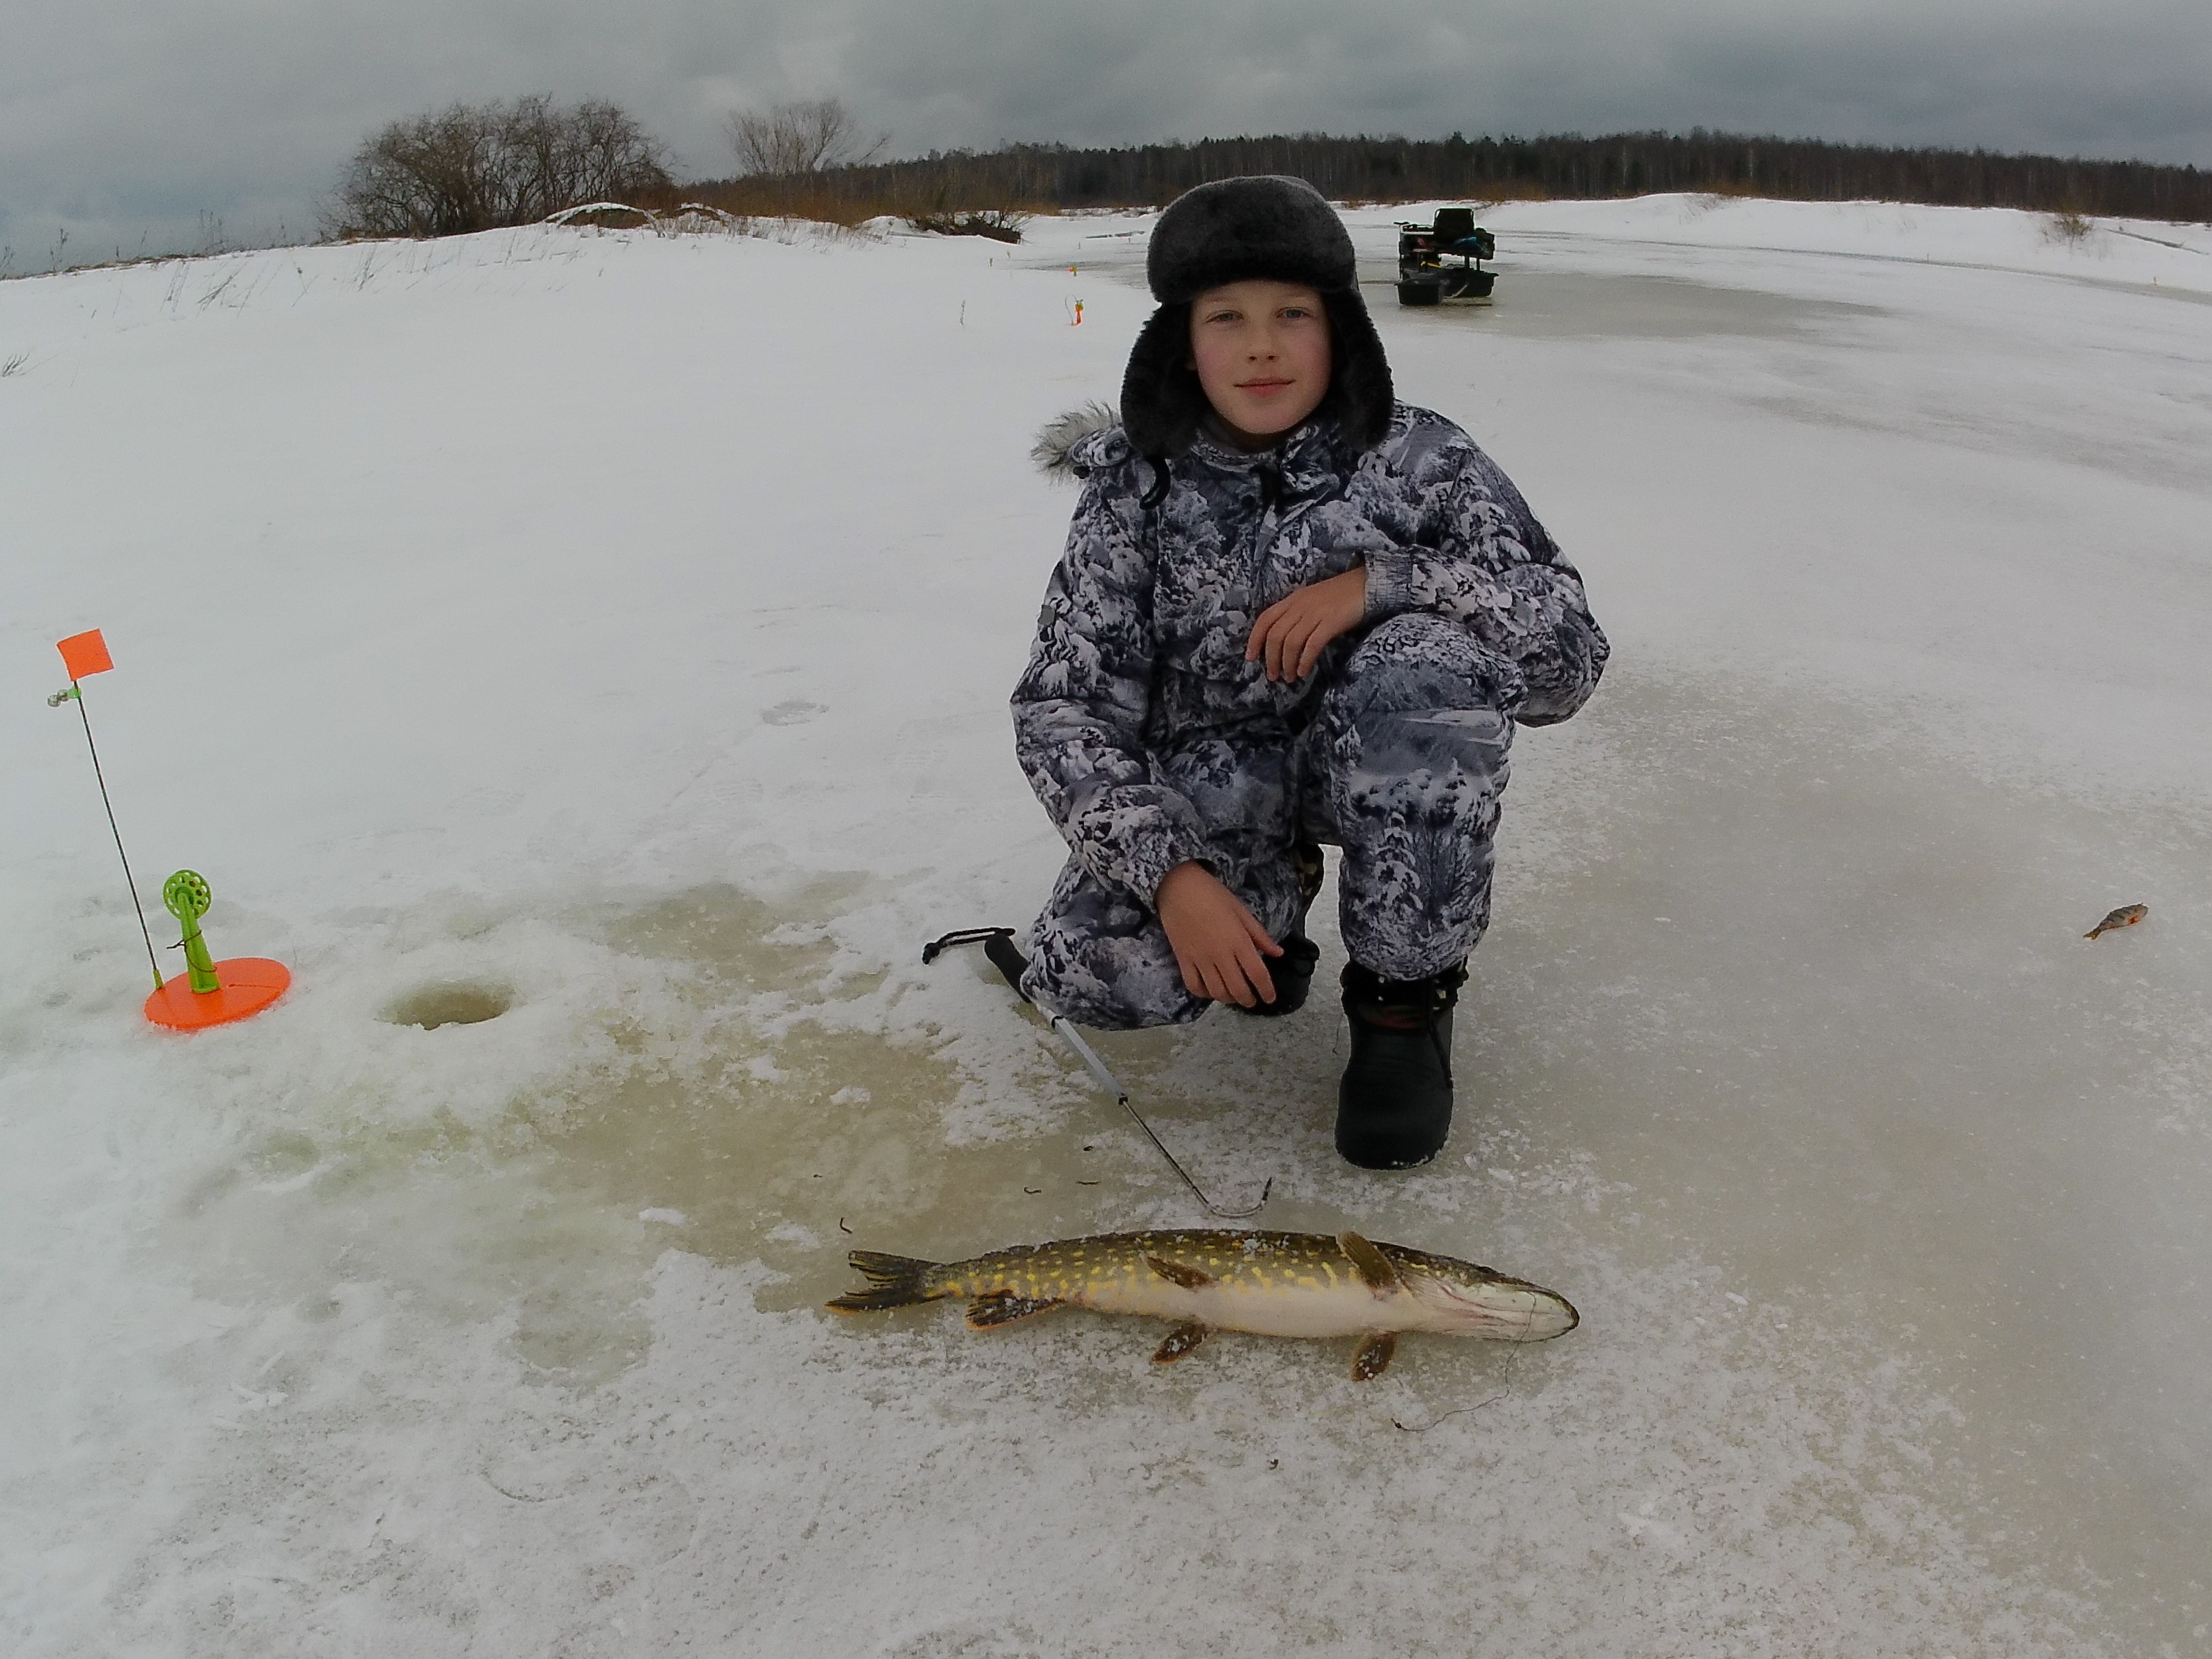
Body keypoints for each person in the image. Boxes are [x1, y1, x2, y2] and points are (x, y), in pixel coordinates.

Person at [1009, 175, 1608, 1169]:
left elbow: (1567, 664)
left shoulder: (1423, 460)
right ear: (1179, 340)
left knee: (1424, 666)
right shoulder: (1134, 487)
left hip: (1378, 766)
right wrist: (1173, 876)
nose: (1260, 346)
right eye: (1225, 317)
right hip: (1219, 780)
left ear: (1341, 329)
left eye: (1292, 313)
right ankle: (1266, 904)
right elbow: (1062, 708)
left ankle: (1402, 1004)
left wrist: (1390, 583)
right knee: (1101, 977)